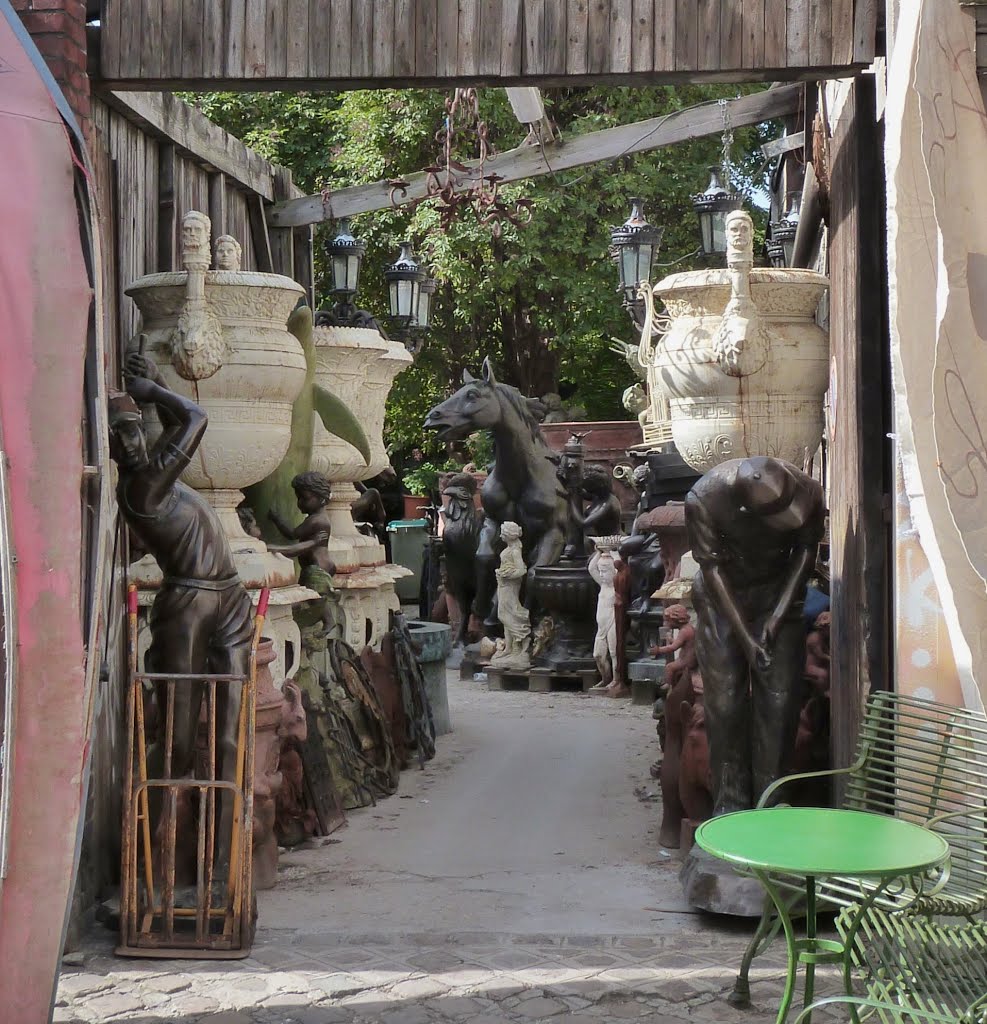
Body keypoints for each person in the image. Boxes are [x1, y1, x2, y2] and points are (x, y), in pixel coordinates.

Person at [110, 351, 254, 861]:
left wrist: (156, 383)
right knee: (177, 735)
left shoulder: (158, 473)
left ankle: (224, 861)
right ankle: (161, 863)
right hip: (191, 600)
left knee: (233, 731)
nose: (130, 442)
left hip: (231, 596)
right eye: (119, 437)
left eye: (132, 430)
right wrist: (154, 392)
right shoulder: (144, 489)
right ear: (113, 452)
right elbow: (196, 418)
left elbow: (179, 424)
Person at [685, 456, 824, 815]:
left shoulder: (806, 489)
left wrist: (776, 619)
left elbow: (806, 552)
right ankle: (728, 809)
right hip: (722, 598)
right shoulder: (704, 499)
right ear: (747, 509)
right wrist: (747, 639)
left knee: (780, 703)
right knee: (725, 702)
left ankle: (771, 806)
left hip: (781, 593)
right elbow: (712, 569)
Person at [268, 472, 337, 586]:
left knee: (314, 600)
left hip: (318, 569)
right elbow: (293, 534)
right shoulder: (314, 519)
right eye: (298, 498)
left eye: (305, 498)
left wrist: (276, 548)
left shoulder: (318, 521)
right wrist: (277, 519)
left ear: (322, 498)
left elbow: (298, 546)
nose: (299, 503)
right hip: (315, 566)